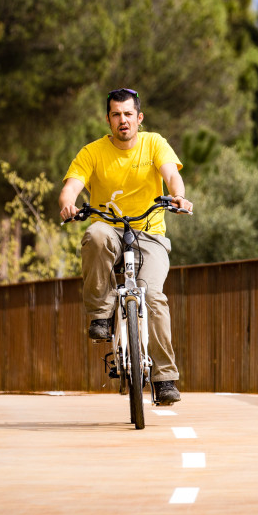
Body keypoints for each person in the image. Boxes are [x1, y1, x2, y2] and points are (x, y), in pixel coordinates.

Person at [58, 88, 192, 405]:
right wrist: (68, 205)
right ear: (108, 119)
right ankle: (101, 316)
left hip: (149, 232)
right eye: (116, 114)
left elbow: (171, 175)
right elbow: (71, 187)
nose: (123, 120)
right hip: (109, 228)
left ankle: (165, 379)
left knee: (154, 297)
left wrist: (178, 196)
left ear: (139, 118)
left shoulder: (154, 144)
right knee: (95, 236)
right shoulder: (92, 152)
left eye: (128, 114)